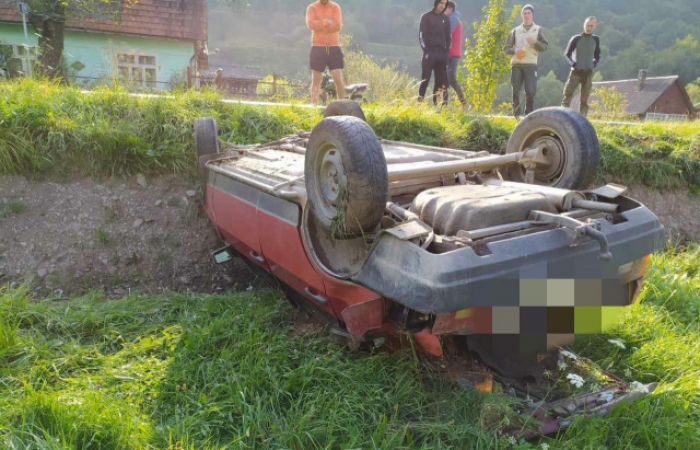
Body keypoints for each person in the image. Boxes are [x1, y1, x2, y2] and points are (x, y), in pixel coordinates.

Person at [503, 4, 549, 117]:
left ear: (532, 15)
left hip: (530, 64)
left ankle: (529, 115)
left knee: (530, 91)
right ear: (521, 15)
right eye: (524, 13)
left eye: (529, 13)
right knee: (516, 91)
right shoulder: (515, 30)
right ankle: (516, 114)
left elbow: (545, 47)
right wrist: (515, 50)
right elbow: (506, 49)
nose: (526, 15)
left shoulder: (538, 29)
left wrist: (535, 42)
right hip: (516, 64)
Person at [306, 0, 345, 105]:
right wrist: (326, 23)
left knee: (338, 79)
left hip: (333, 46)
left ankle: (343, 106)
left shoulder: (335, 7)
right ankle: (313, 107)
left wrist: (321, 24)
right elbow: (310, 24)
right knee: (316, 81)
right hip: (318, 46)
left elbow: (338, 26)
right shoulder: (312, 7)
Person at [561, 17, 601, 117]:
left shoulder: (595, 39)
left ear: (595, 26)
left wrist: (594, 63)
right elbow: (566, 54)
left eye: (591, 26)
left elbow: (598, 55)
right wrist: (573, 64)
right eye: (587, 25)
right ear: (584, 25)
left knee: (584, 98)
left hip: (588, 72)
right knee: (567, 95)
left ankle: (582, 119)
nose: (589, 28)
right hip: (575, 72)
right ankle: (562, 116)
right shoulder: (576, 38)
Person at [418, 0, 451, 107]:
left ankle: (437, 106)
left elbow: (448, 37)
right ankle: (419, 104)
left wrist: (446, 53)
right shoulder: (426, 17)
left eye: (445, 4)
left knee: (441, 81)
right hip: (429, 52)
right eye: (441, 3)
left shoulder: (445, 19)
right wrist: (426, 51)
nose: (442, 6)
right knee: (425, 80)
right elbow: (422, 35)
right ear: (436, 3)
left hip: (441, 53)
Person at [445, 1, 467, 110]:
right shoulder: (452, 18)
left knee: (451, 79)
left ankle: (464, 103)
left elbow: (446, 33)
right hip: (450, 53)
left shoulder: (452, 19)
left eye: (445, 8)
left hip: (452, 54)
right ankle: (444, 105)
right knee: (445, 78)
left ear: (450, 9)